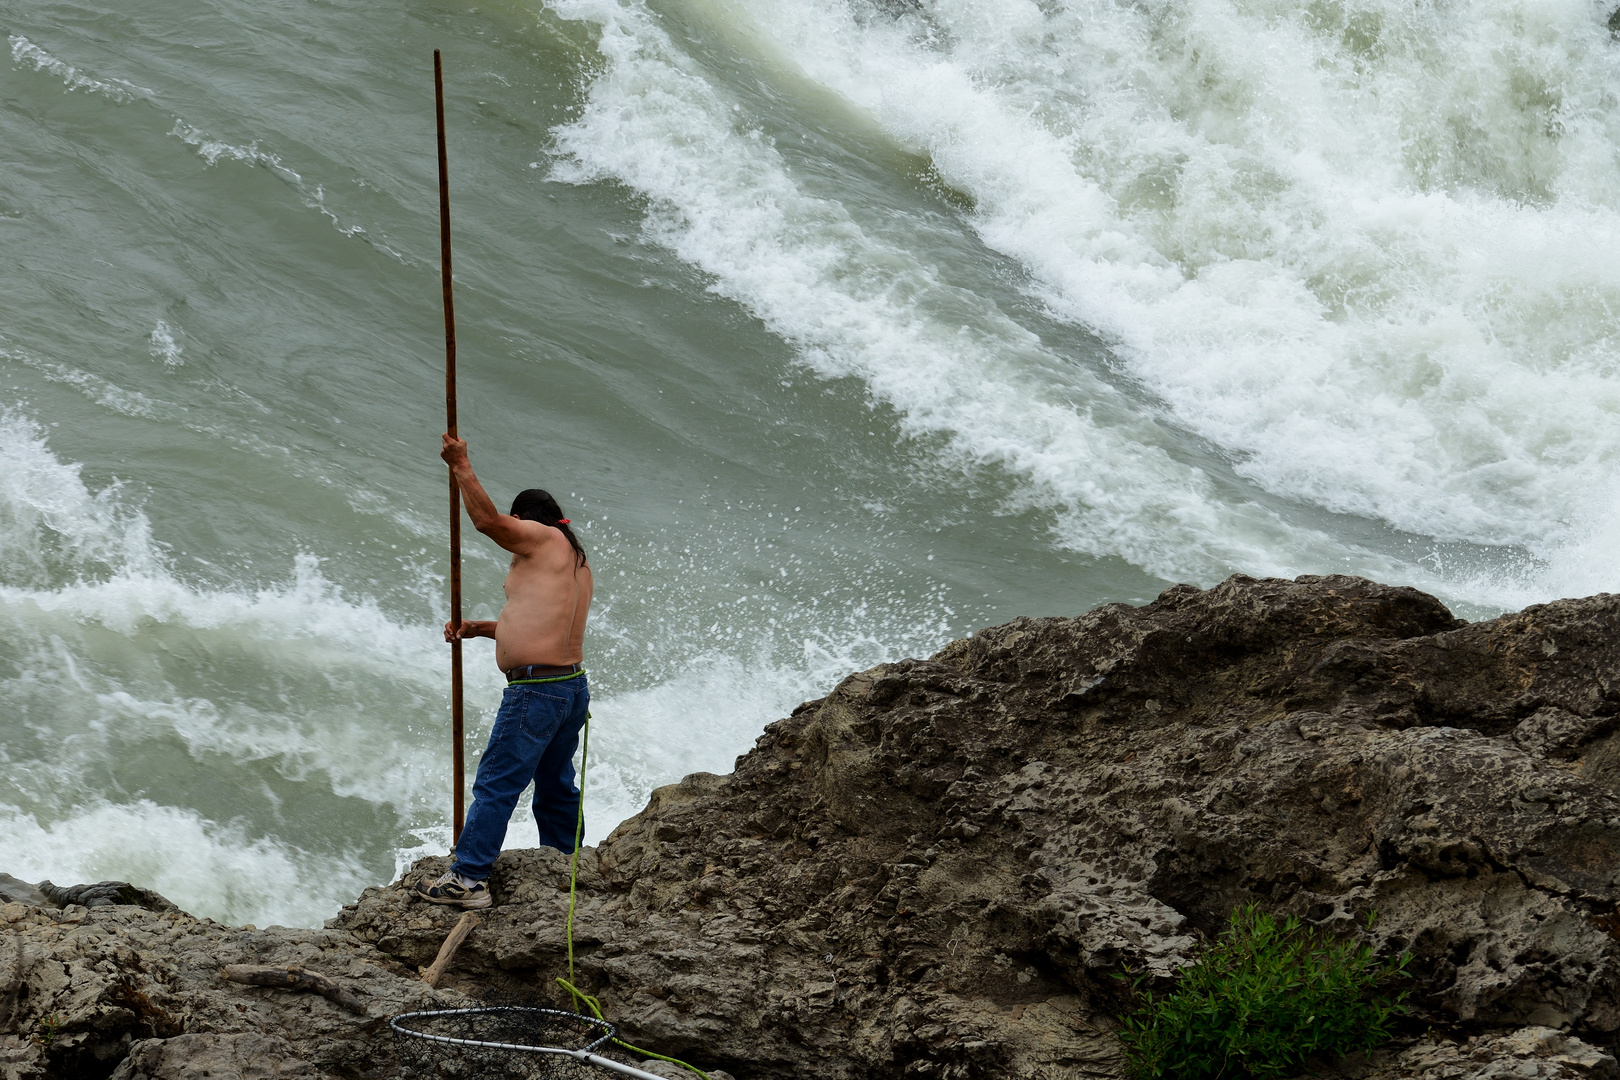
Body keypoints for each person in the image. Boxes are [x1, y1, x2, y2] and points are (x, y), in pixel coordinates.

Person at [415, 433, 594, 910]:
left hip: (537, 691)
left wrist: (461, 464)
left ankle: (469, 877)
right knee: (555, 782)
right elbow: (539, 625)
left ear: (525, 522)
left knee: (497, 780)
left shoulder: (542, 537)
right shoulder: (574, 558)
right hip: (568, 686)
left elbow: (485, 521)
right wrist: (478, 629)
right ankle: (567, 864)